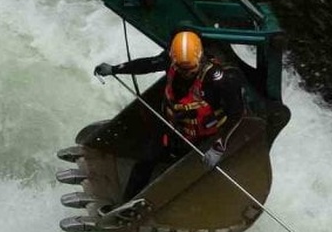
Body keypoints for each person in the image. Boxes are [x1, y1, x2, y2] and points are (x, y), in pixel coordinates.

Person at [94, 30, 245, 203]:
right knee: (146, 161)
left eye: (191, 69)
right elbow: (147, 65)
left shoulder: (219, 80)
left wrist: (219, 146)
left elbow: (237, 113)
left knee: (183, 173)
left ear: (201, 58)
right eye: (181, 68)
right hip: (173, 126)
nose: (186, 73)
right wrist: (115, 69)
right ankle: (127, 203)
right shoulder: (170, 60)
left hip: (202, 139)